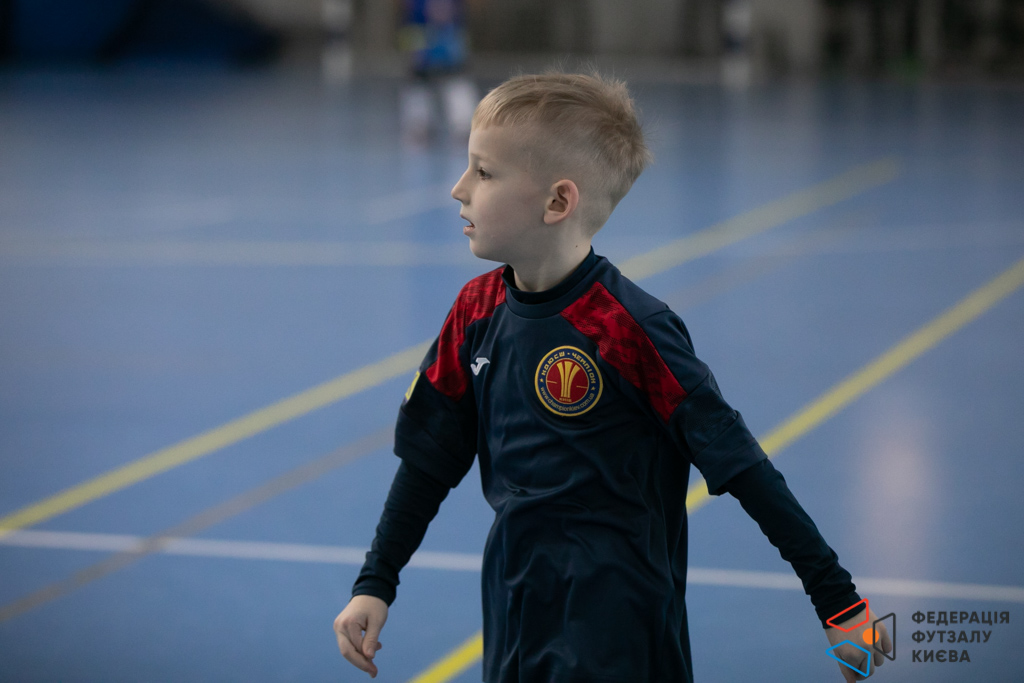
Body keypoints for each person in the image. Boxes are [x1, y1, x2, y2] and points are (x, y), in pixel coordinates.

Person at [333, 71, 891, 682]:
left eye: (484, 172)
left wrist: (838, 601)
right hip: (514, 616)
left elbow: (744, 468)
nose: (457, 188)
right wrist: (375, 582)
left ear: (558, 202)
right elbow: (429, 459)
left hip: (621, 633)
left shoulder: (630, 330)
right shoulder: (475, 311)